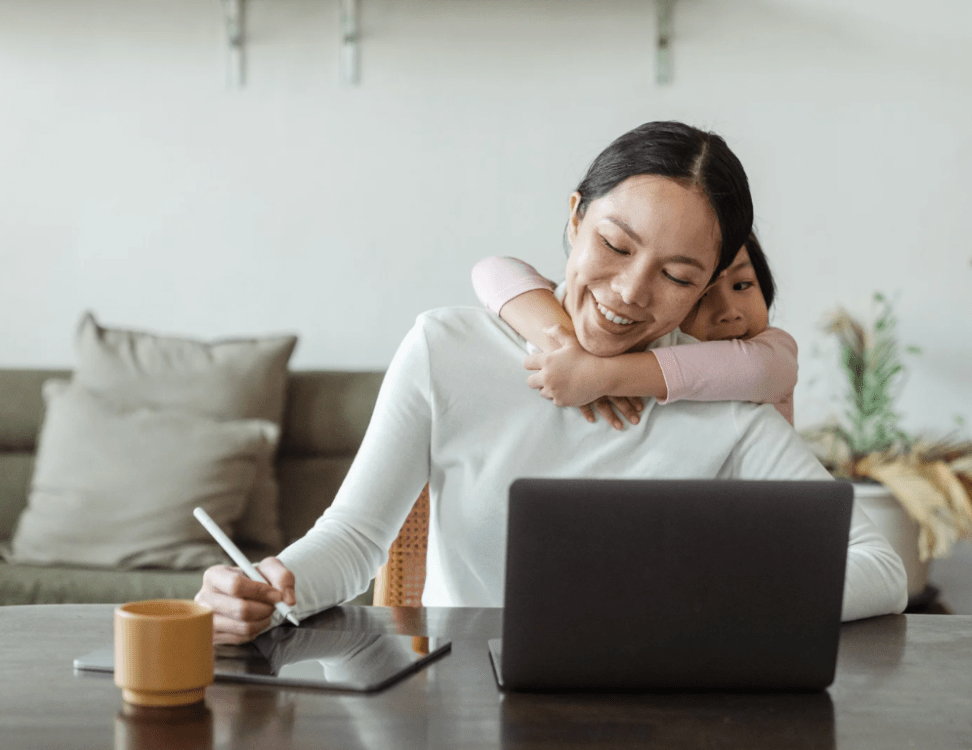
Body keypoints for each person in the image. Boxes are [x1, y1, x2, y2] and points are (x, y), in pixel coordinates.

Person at [196, 121, 907, 644]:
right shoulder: (447, 349)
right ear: (573, 219)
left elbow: (880, 568)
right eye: (615, 245)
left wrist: (720, 600)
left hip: (657, 714)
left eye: (678, 275)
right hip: (461, 707)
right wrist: (267, 585)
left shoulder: (724, 404)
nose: (630, 292)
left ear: (708, 287)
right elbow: (353, 541)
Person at [470, 230, 798, 428]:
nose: (730, 313)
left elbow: (758, 369)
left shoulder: (773, 351)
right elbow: (493, 270)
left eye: (743, 285)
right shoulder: (650, 344)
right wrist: (567, 349)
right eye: (700, 296)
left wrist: (599, 374)